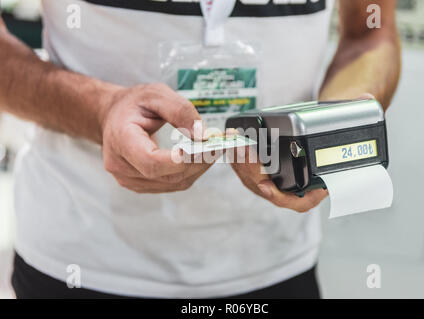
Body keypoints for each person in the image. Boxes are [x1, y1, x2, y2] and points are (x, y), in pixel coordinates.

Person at [0, 0, 400, 299]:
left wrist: (328, 133)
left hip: (275, 264)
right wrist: (99, 110)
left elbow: (371, 33)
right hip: (82, 264)